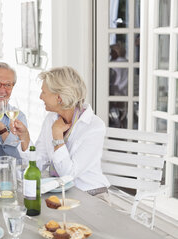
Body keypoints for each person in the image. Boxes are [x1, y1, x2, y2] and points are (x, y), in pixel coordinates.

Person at [11, 66, 110, 199]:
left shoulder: (94, 127)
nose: (40, 97)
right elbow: (38, 164)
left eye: (44, 92)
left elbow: (68, 174)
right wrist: (24, 138)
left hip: (91, 194)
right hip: (60, 192)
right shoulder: (51, 119)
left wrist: (57, 136)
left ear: (59, 97)